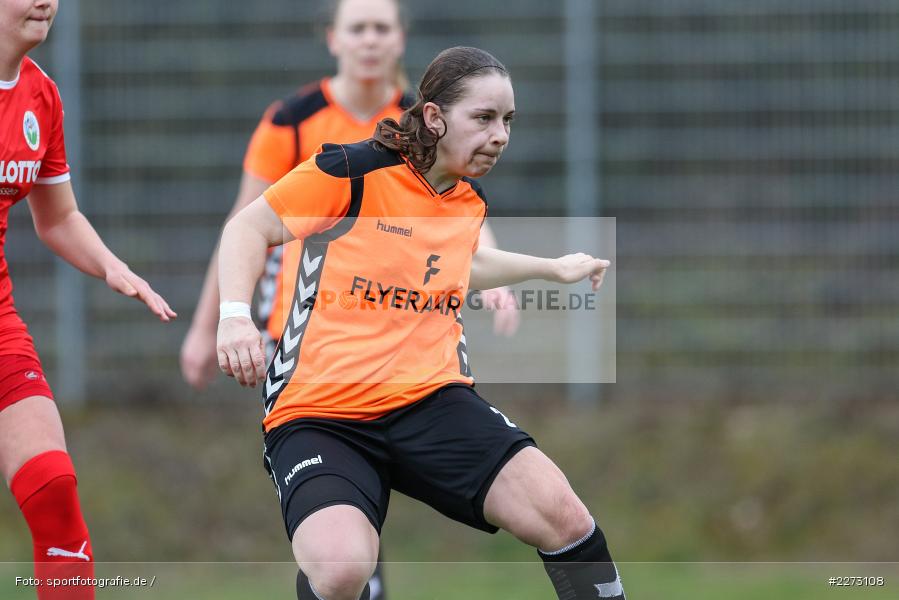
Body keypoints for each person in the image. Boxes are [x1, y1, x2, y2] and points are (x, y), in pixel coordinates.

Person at [216, 45, 623, 600]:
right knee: (340, 571)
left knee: (564, 517)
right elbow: (248, 228)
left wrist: (552, 269)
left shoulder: (465, 199)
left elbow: (462, 264)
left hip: (430, 399)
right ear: (434, 117)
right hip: (321, 410)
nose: (500, 134)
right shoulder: (351, 171)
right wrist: (235, 318)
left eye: (507, 121)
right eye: (483, 118)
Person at [180, 0, 518, 393]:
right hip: (301, 323)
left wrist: (494, 280)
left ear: (401, 39)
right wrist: (209, 326)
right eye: (358, 29)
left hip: (392, 323)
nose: (370, 41)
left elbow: (459, 206)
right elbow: (242, 222)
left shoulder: (428, 119)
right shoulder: (291, 120)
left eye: (382, 29)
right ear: (333, 39)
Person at [0, 1, 177, 598]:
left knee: (53, 488)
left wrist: (113, 268)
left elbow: (58, 216)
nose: (44, 1)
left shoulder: (40, 95)